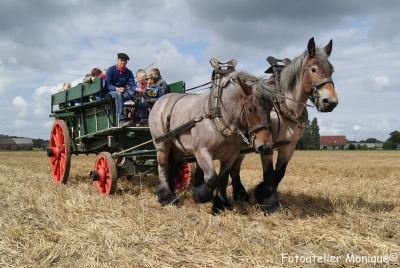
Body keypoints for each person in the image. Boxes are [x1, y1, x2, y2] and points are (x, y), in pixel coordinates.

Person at [105, 53, 136, 127]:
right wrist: (116, 89)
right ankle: (121, 120)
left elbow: (132, 85)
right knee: (118, 95)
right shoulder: (110, 70)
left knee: (135, 95)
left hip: (123, 92)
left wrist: (136, 89)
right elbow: (107, 84)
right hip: (110, 93)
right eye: (121, 60)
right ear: (117, 60)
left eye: (125, 61)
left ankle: (138, 118)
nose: (123, 62)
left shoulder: (129, 72)